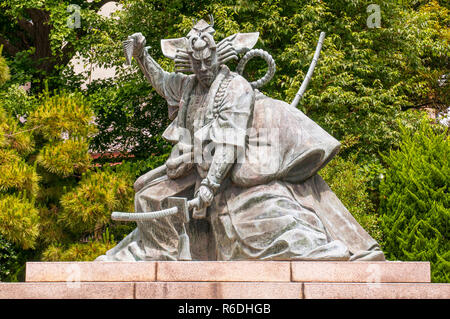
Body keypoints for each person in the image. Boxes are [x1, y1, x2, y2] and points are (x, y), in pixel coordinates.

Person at [96, 19, 385, 262]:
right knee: (146, 192)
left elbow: (231, 142)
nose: (203, 68)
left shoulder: (235, 87)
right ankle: (164, 254)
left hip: (231, 170)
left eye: (208, 60)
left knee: (242, 220)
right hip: (191, 167)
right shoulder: (187, 86)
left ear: (217, 56)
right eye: (196, 63)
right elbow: (162, 81)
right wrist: (142, 54)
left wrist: (210, 187)